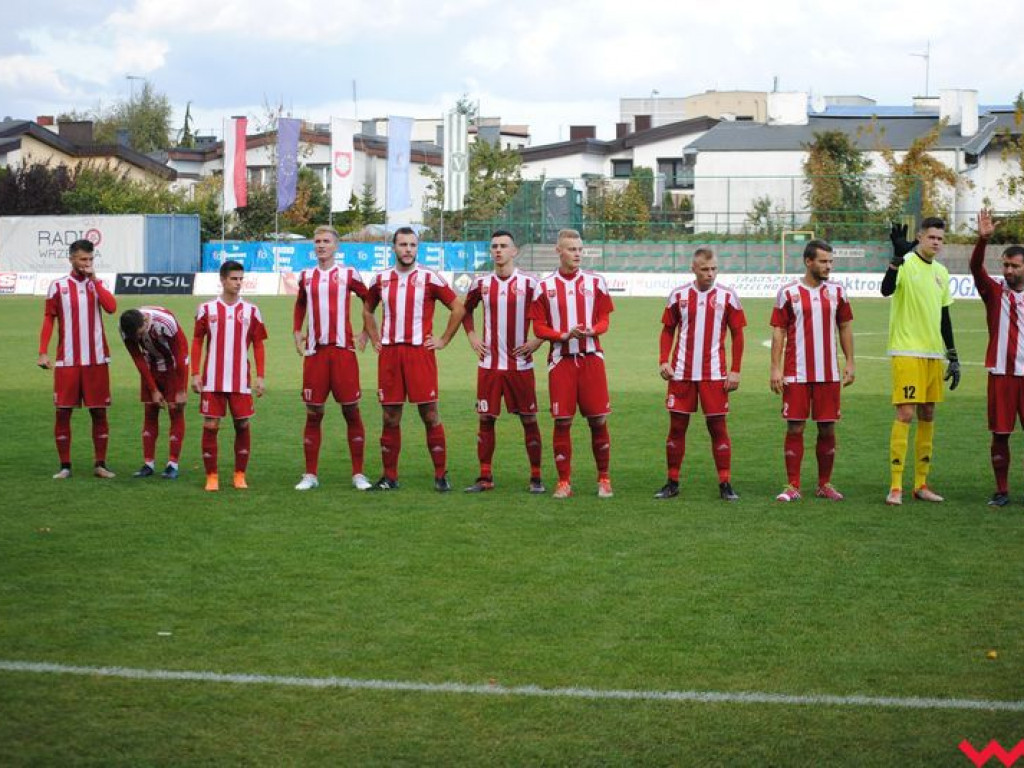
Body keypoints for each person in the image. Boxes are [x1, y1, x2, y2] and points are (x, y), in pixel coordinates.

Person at [363, 227, 465, 491]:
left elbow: (458, 307)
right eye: (403, 245)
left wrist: (443, 339)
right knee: (390, 417)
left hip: (420, 354)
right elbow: (367, 308)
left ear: (416, 249)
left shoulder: (430, 278)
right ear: (393, 248)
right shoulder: (381, 279)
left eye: (412, 245)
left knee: (430, 414)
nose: (408, 249)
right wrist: (374, 337)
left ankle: (441, 475)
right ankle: (389, 477)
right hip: (390, 355)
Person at [655, 248, 746, 501]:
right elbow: (667, 330)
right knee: (676, 428)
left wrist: (736, 370)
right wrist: (664, 360)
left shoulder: (728, 297)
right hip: (681, 373)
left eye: (714, 269)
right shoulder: (679, 296)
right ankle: (672, 482)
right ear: (693, 268)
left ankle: (725, 483)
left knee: (718, 427)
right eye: (705, 269)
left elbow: (738, 334)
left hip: (715, 375)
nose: (710, 274)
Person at [530, 228, 615, 499]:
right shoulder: (545, 286)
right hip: (561, 362)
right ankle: (563, 482)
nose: (577, 254)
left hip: (591, 359)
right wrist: (563, 335)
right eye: (571, 249)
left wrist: (593, 331)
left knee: (598, 420)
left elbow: (605, 320)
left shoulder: (596, 282)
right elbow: (539, 328)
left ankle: (604, 478)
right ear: (559, 251)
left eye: (579, 249)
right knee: (562, 422)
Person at [881, 218, 959, 505]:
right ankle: (896, 486)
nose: (936, 242)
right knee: (905, 414)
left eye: (940, 238)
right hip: (906, 351)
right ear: (920, 237)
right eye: (931, 237)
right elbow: (886, 290)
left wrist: (953, 354)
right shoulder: (906, 263)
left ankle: (921, 484)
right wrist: (896, 259)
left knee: (928, 414)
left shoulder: (942, 272)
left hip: (932, 355)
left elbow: (945, 317)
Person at [770, 239, 855, 502]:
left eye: (831, 261)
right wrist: (775, 368)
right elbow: (779, 331)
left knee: (827, 429)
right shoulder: (788, 292)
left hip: (828, 374)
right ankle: (792, 485)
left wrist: (850, 362)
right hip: (796, 373)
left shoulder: (838, 292)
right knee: (795, 428)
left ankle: (824, 484)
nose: (828, 266)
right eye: (823, 261)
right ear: (809, 262)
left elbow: (845, 326)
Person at [462, 230, 545, 493]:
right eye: (494, 246)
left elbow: (548, 316)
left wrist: (537, 340)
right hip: (489, 365)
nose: (498, 250)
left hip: (520, 366)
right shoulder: (481, 284)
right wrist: (473, 335)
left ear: (514, 251)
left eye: (503, 246)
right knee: (486, 419)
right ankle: (485, 477)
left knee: (529, 419)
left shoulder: (531, 283)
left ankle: (536, 478)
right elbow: (466, 310)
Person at [292, 225, 373, 491]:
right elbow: (301, 303)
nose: (321, 245)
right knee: (313, 412)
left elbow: (370, 299)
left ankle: (358, 474)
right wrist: (296, 331)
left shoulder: (348, 273)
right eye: (317, 241)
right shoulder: (306, 276)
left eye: (326, 241)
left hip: (342, 353)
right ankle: (310, 475)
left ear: (336, 246)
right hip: (315, 353)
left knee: (351, 411)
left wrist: (365, 332)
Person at [37, 239, 117, 479]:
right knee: (62, 412)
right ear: (71, 258)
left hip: (96, 360)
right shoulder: (58, 286)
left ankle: (100, 465)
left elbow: (112, 308)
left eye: (91, 259)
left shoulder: (97, 284)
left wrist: (95, 281)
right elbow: (49, 318)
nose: (87, 264)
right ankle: (65, 466)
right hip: (67, 361)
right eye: (83, 259)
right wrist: (43, 351)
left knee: (99, 413)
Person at [191, 260, 268, 492]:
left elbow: (259, 345)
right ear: (222, 280)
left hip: (240, 380)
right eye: (234, 278)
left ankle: (239, 474)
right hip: (212, 379)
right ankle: (212, 476)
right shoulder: (206, 309)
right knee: (211, 425)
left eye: (240, 278)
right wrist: (194, 373)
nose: (238, 283)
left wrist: (261, 376)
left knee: (242, 424)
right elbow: (197, 341)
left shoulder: (252, 310)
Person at [969, 210, 1024, 507]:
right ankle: (1002, 491)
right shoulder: (993, 292)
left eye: (1014, 266)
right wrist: (983, 240)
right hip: (1001, 373)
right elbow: (976, 268)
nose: (1008, 271)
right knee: (1000, 434)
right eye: (1005, 265)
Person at [119, 307, 189, 479]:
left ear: (145, 321)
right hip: (151, 365)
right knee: (150, 410)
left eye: (140, 333)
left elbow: (180, 355)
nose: (138, 338)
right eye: (135, 336)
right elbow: (138, 359)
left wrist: (181, 389)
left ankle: (172, 464)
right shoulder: (125, 330)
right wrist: (153, 390)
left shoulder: (165, 322)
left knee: (175, 410)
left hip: (173, 365)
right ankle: (148, 464)